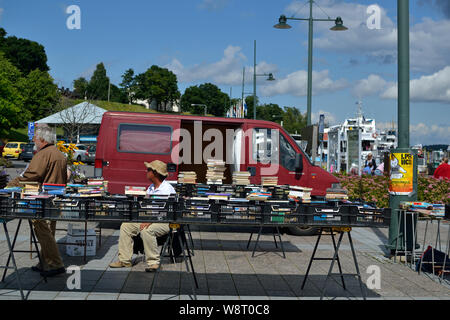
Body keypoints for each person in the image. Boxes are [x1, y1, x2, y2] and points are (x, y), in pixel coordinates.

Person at [7, 125, 67, 277]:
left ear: (42, 139)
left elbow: (31, 175)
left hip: (42, 200)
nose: (33, 140)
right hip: (54, 198)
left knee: (43, 231)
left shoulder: (44, 154)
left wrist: (12, 184)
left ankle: (55, 264)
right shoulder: (59, 154)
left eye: (35, 138)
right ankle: (45, 263)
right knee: (48, 232)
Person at [109, 160, 175, 272]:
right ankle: (124, 261)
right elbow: (146, 205)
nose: (146, 171)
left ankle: (153, 262)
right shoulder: (150, 187)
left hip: (163, 221)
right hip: (148, 218)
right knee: (126, 226)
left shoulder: (167, 189)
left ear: (155, 173)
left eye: (149, 169)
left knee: (147, 230)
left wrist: (150, 221)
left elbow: (166, 211)